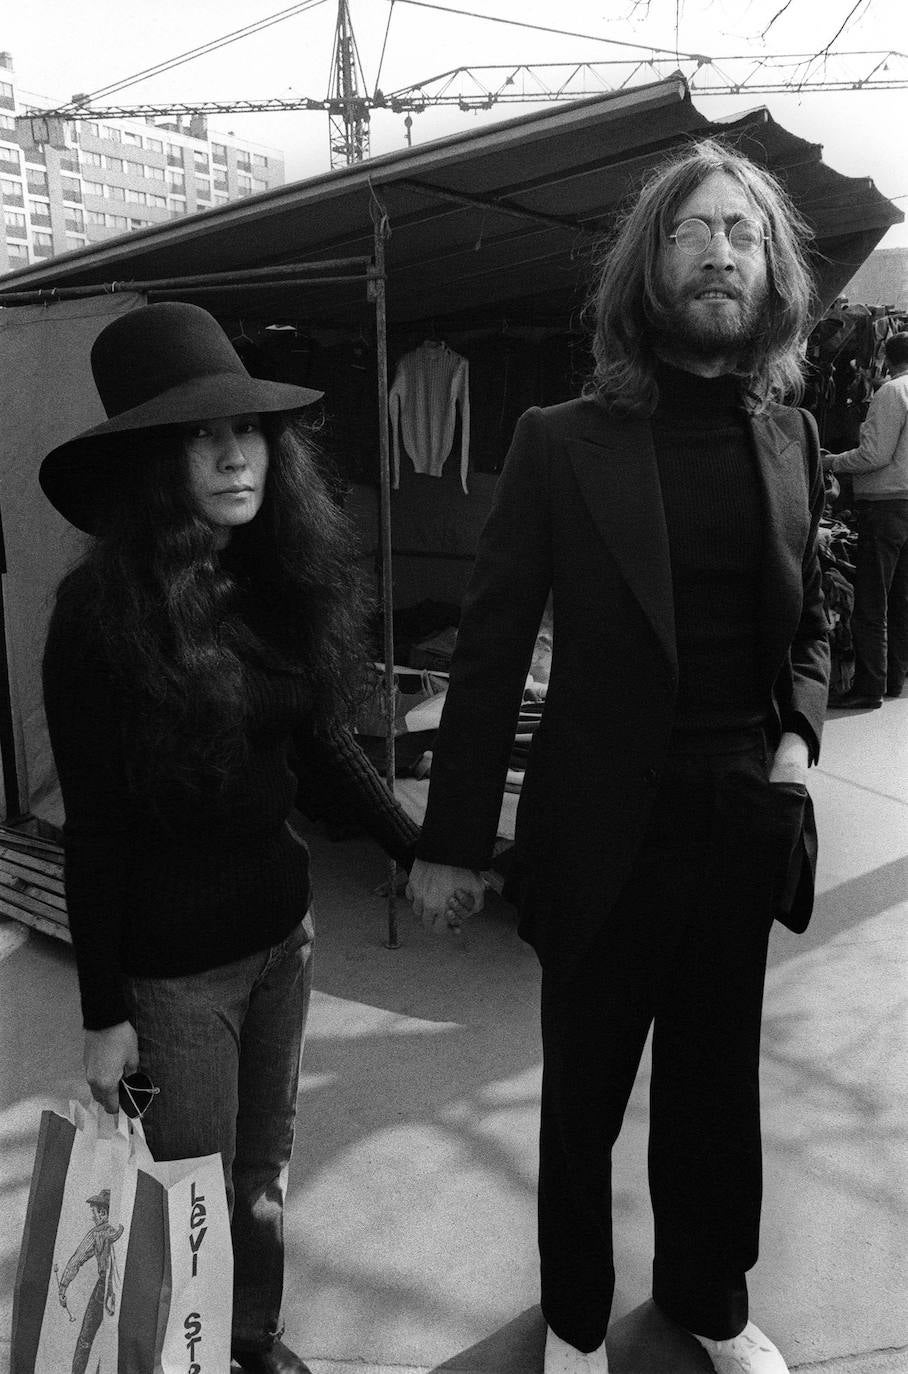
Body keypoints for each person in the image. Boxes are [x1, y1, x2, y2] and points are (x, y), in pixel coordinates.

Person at [407, 139, 830, 1374]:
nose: (716, 250)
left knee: (714, 1096)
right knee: (582, 1100)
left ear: (770, 273)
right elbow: (488, 652)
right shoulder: (556, 439)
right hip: (599, 828)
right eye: (690, 231)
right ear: (646, 267)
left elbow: (808, 618)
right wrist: (448, 843)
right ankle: (578, 1324)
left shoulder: (793, 438)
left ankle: (708, 1301)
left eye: (740, 234)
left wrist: (798, 742)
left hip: (738, 818)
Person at [40, 302, 419, 1374]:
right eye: (199, 437)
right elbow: (94, 830)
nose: (231, 454)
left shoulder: (273, 581)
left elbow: (324, 750)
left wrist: (418, 845)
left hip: (281, 943)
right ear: (153, 464)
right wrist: (103, 1014)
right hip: (173, 982)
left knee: (262, 1177)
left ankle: (251, 1339)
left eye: (245, 431)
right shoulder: (94, 618)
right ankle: (189, 1355)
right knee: (182, 1193)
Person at [821, 330, 908, 707]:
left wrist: (831, 461)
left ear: (886, 358)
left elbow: (875, 455)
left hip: (886, 507)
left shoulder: (893, 391)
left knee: (873, 599)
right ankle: (893, 680)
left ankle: (869, 687)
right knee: (903, 598)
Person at [56, 1190, 123, 1374]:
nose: (92, 1217)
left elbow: (77, 1259)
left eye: (94, 1212)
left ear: (103, 1212)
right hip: (115, 1288)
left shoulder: (98, 1234)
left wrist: (63, 1287)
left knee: (86, 1339)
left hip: (107, 1289)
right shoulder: (115, 1230)